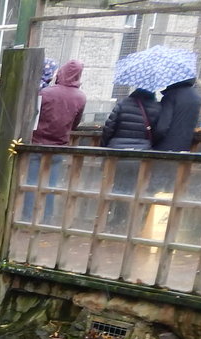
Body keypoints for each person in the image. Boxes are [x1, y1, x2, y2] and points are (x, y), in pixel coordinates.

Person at [25, 59, 86, 224]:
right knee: (51, 183)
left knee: (31, 182)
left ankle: (28, 217)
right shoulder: (80, 97)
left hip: (37, 143)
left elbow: (33, 117)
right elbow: (75, 123)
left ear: (61, 72)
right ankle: (46, 218)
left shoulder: (45, 93)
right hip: (59, 145)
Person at [100, 87, 157, 231]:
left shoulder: (123, 103)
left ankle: (111, 220)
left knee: (116, 186)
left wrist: (105, 146)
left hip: (118, 153)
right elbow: (159, 131)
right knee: (134, 188)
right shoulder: (157, 107)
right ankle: (128, 222)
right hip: (141, 155)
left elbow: (109, 127)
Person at [153, 78, 201, 152]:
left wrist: (152, 138)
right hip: (184, 148)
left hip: (164, 149)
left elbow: (161, 128)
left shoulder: (171, 96)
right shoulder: (196, 97)